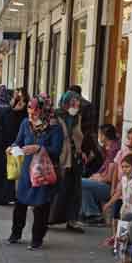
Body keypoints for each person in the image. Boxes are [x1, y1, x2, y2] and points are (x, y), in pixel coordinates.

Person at [6, 96, 63, 250]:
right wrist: (12, 147)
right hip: (26, 170)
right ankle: (15, 234)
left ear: (44, 110)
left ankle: (37, 239)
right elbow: (18, 141)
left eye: (36, 109)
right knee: (20, 203)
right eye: (29, 108)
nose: (32, 112)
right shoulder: (26, 123)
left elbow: (57, 150)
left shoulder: (54, 127)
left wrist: (39, 148)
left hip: (42, 171)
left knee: (41, 206)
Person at [103, 126, 132, 247]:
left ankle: (126, 242)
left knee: (130, 221)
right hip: (122, 188)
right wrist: (113, 187)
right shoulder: (122, 152)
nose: (130, 142)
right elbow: (114, 169)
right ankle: (116, 238)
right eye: (129, 138)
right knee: (116, 216)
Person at [48, 91, 85, 233]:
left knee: (75, 190)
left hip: (75, 158)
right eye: (73, 103)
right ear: (65, 103)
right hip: (60, 158)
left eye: (77, 103)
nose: (76, 105)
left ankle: (72, 220)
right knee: (58, 188)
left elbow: (79, 136)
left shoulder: (76, 118)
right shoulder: (55, 116)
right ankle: (49, 218)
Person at [80, 124, 120, 224]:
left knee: (80, 182)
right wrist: (96, 176)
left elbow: (109, 178)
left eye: (99, 134)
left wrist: (97, 178)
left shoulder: (114, 150)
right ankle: (91, 214)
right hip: (104, 183)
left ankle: (93, 214)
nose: (98, 137)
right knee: (84, 188)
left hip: (109, 188)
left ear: (104, 135)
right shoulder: (110, 149)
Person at [104, 153, 132, 218]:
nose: (124, 169)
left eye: (127, 166)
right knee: (123, 226)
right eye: (122, 167)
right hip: (125, 211)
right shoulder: (123, 179)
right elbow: (118, 193)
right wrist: (109, 203)